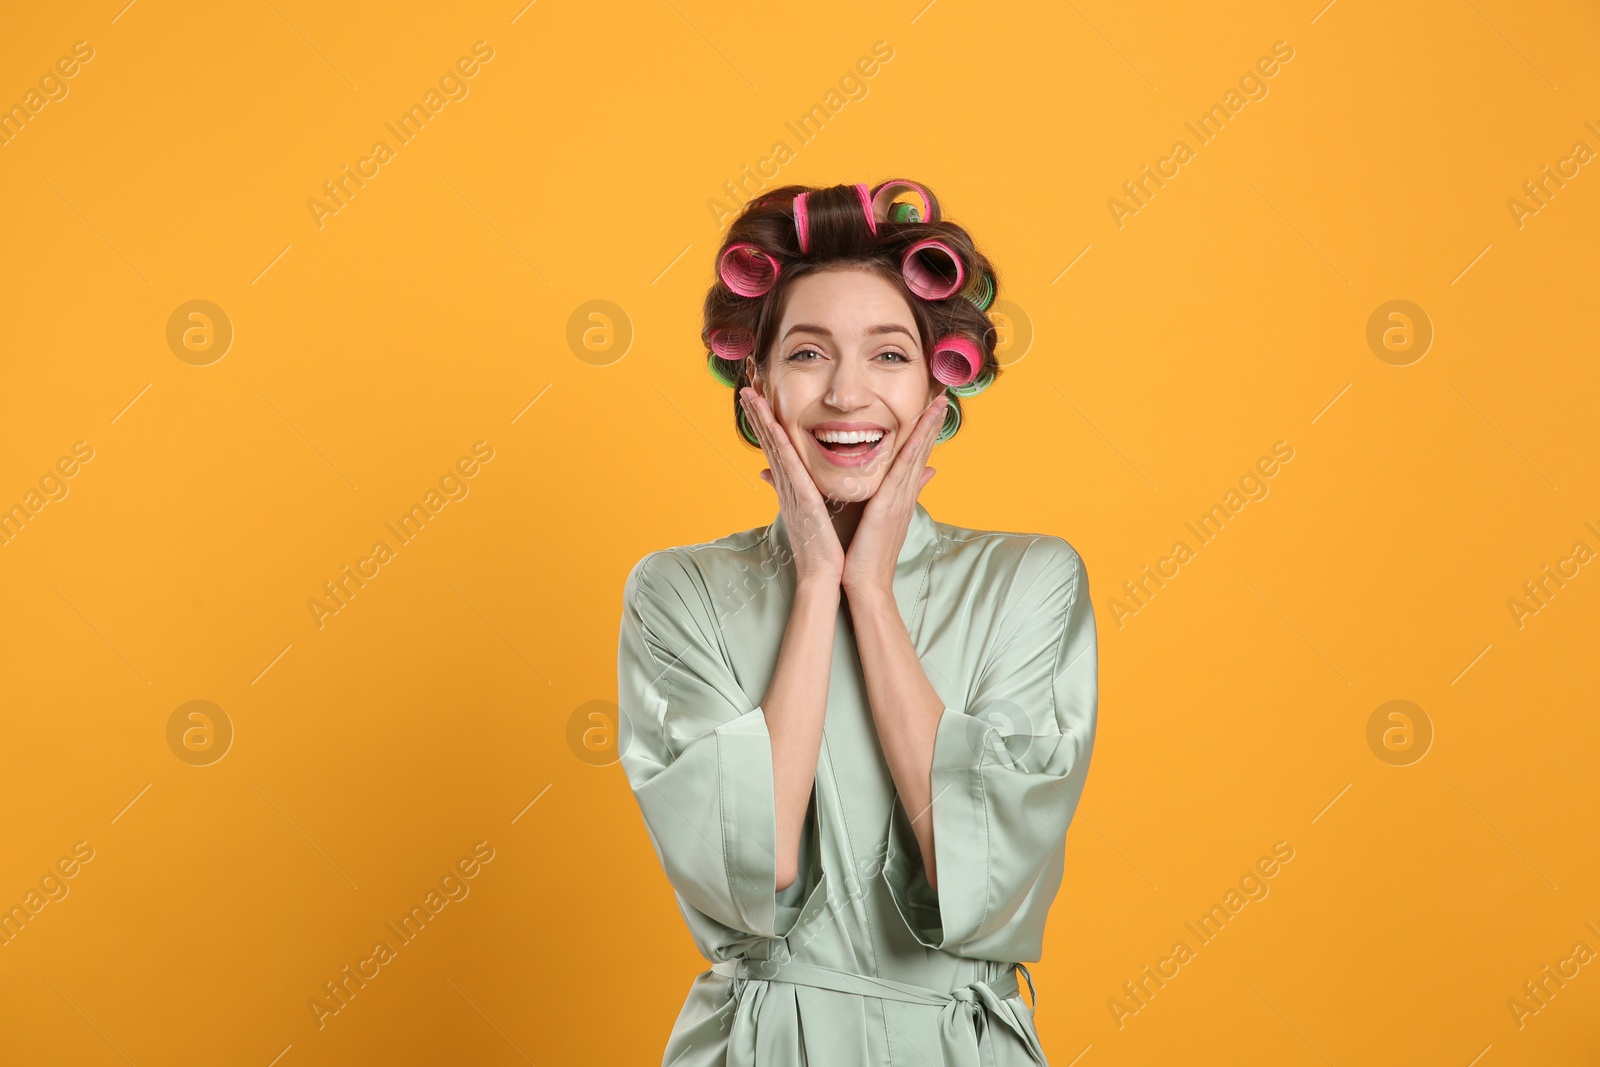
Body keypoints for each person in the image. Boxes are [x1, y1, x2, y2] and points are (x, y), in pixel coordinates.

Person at [617, 180, 1097, 1065]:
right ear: (754, 381)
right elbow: (754, 876)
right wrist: (815, 584)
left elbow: (978, 875)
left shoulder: (1029, 579)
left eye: (887, 355)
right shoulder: (679, 591)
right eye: (806, 355)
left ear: (935, 382)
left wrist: (870, 594)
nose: (847, 393)